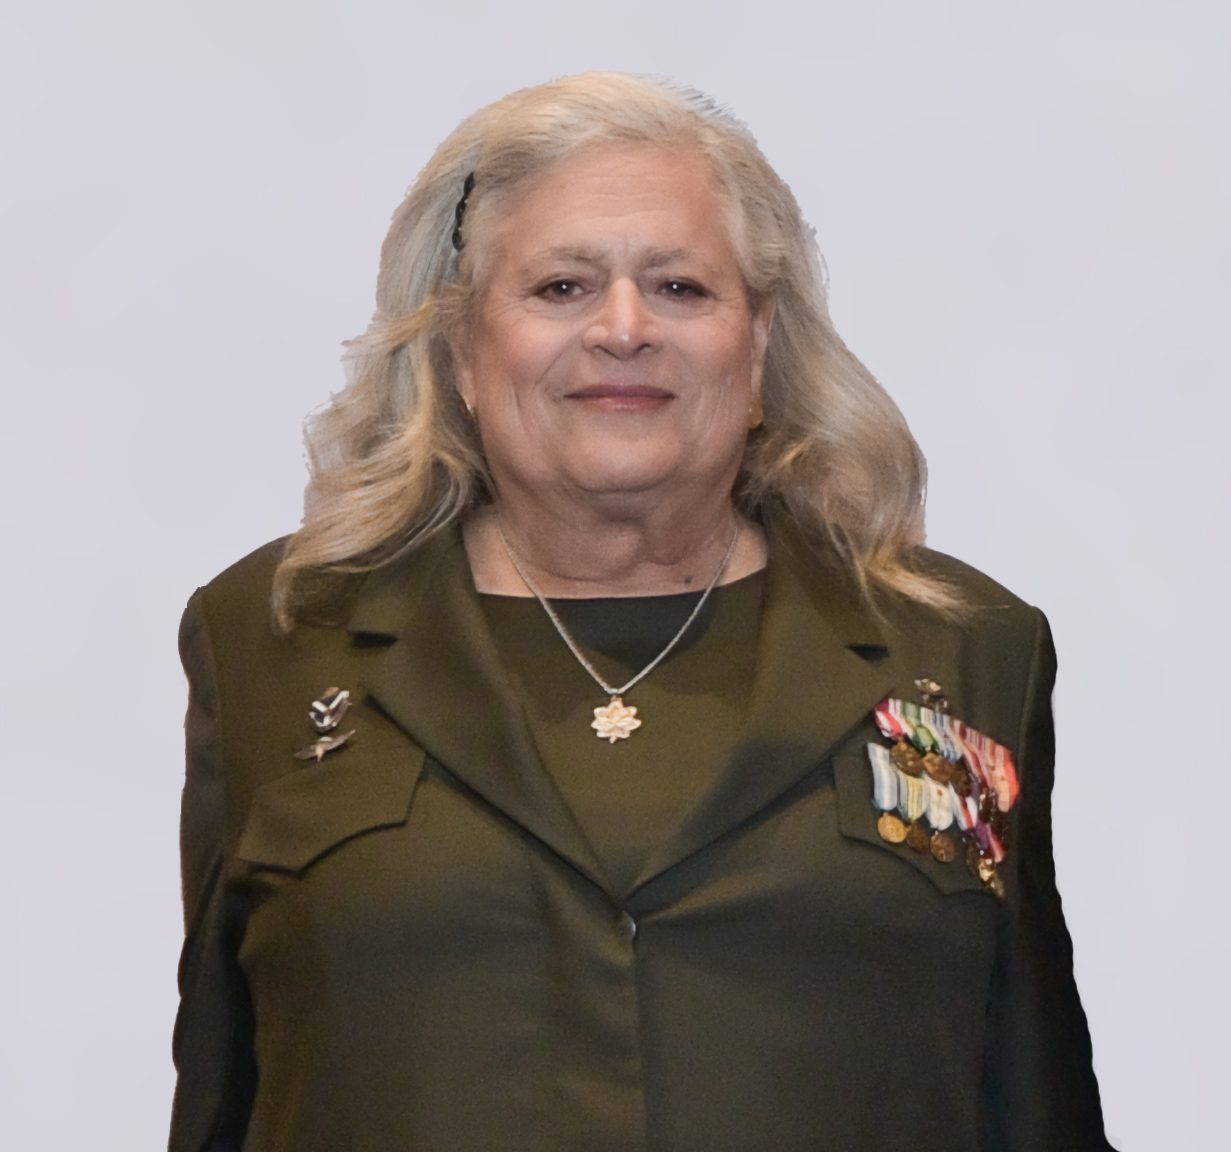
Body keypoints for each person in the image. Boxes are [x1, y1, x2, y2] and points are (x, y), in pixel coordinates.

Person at [169, 72, 1115, 1151]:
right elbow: (223, 1100)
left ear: (757, 342)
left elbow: (1032, 1102)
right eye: (561, 287)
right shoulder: (279, 637)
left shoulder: (960, 646)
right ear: (461, 350)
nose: (624, 329)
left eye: (679, 287)